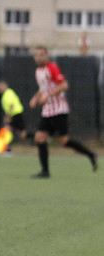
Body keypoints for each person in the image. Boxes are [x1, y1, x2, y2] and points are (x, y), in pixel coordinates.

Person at [28, 45, 98, 178]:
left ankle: (91, 154)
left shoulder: (51, 68)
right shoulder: (38, 71)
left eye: (41, 54)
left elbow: (64, 85)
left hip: (59, 110)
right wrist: (35, 98)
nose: (38, 57)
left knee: (63, 141)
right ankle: (45, 171)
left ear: (46, 56)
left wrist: (47, 97)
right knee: (39, 137)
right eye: (36, 55)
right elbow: (44, 88)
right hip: (47, 110)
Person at [0, 79, 33, 152]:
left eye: (0, 86)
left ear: (5, 86)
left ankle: (6, 149)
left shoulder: (8, 93)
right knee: (23, 135)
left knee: (6, 130)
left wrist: (8, 116)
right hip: (17, 115)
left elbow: (11, 105)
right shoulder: (6, 94)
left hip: (16, 115)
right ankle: (41, 137)